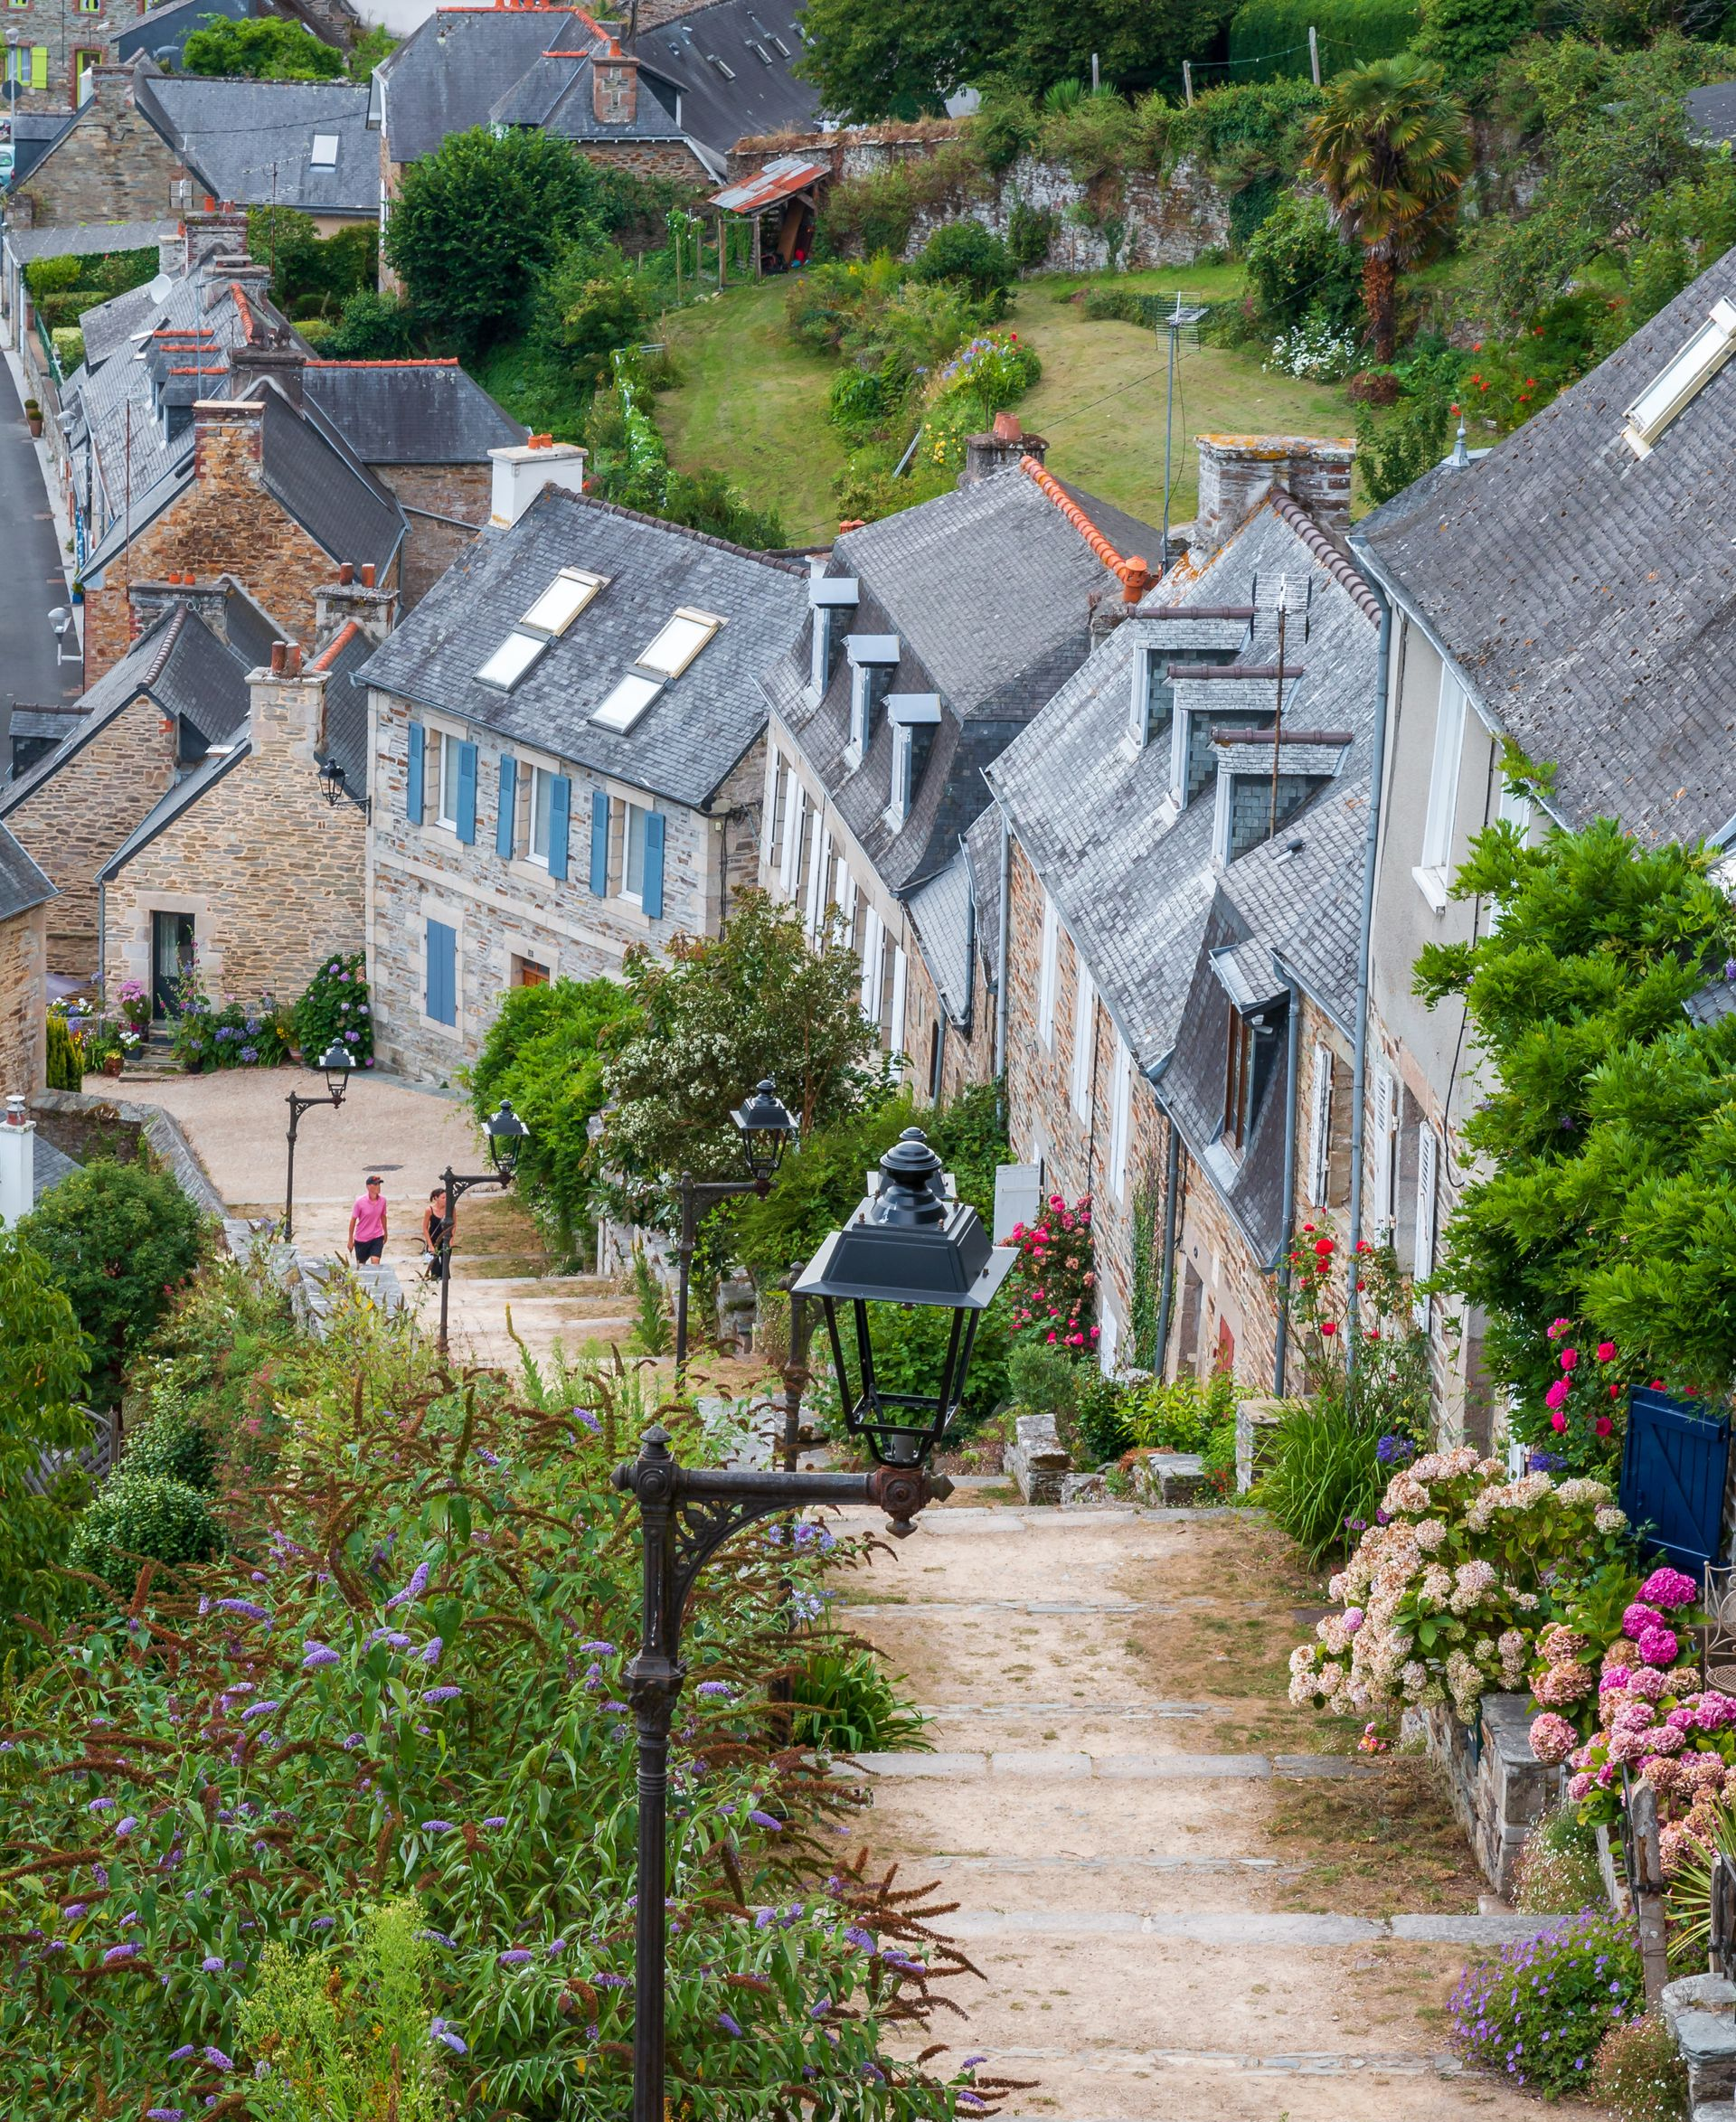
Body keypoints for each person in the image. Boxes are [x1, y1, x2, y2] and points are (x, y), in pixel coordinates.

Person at [348, 1174, 389, 1263]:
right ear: (368, 1187)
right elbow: (353, 1220)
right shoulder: (360, 1202)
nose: (378, 1186)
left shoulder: (383, 1201)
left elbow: (383, 1216)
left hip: (377, 1236)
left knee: (375, 1261)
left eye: (379, 1184)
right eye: (375, 1184)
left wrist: (385, 1232)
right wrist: (350, 1239)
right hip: (362, 1238)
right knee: (361, 1266)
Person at [422, 1185, 453, 1280]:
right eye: (443, 1198)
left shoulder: (450, 1209)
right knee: (434, 1266)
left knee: (445, 1266)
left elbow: (454, 1224)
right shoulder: (429, 1210)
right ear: (436, 1198)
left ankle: (445, 1285)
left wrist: (452, 1239)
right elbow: (425, 1228)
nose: (445, 1199)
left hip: (446, 1239)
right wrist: (430, 1245)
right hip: (434, 1240)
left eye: (446, 1197)